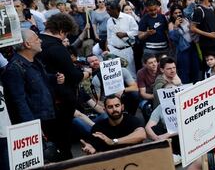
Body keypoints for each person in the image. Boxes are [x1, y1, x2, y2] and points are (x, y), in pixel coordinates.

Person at [39, 14, 88, 160]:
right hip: (60, 100)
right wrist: (86, 73)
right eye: (65, 34)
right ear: (61, 31)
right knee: (62, 138)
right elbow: (73, 75)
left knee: (53, 137)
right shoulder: (56, 47)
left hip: (46, 99)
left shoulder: (38, 41)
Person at [79, 94, 146, 155]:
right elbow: (94, 150)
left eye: (117, 106)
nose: (114, 109)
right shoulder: (98, 127)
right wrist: (92, 150)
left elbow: (142, 135)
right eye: (110, 107)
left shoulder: (132, 120)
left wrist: (113, 141)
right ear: (105, 110)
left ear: (122, 107)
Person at [105, 1, 138, 75]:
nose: (107, 12)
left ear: (116, 9)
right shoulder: (109, 21)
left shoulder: (128, 18)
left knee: (131, 73)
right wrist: (109, 48)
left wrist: (125, 34)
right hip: (114, 50)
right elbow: (109, 37)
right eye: (107, 10)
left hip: (126, 50)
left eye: (109, 10)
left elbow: (136, 31)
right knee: (117, 74)